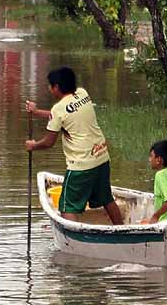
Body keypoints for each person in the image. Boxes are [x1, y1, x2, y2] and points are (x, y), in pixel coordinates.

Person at [26, 66, 124, 225]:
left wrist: (33, 145)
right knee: (107, 199)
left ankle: (74, 239)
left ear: (56, 87)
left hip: (81, 165)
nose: (49, 88)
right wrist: (36, 112)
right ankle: (122, 231)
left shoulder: (58, 109)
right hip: (101, 157)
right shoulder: (83, 94)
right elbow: (62, 115)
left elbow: (49, 142)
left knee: (66, 207)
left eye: (50, 86)